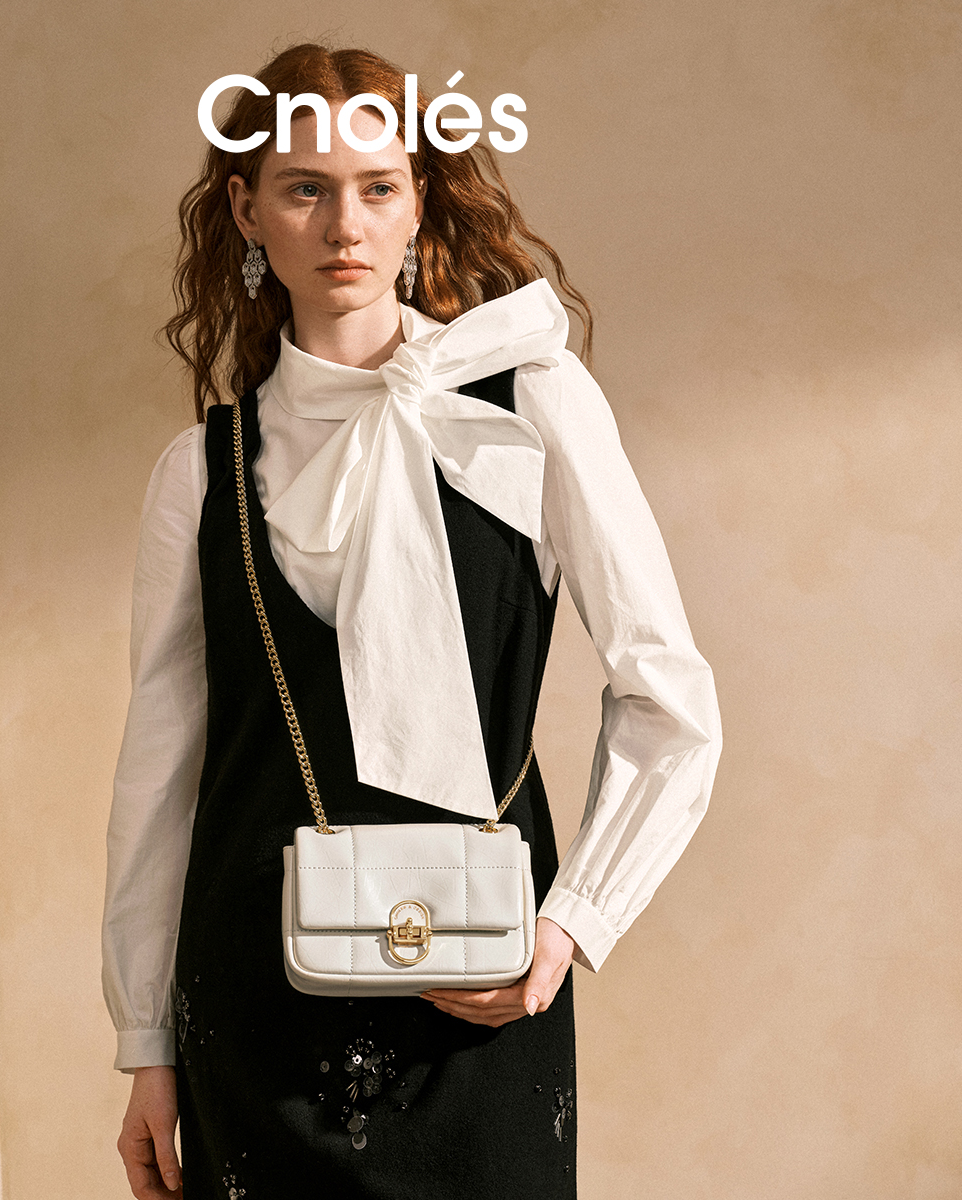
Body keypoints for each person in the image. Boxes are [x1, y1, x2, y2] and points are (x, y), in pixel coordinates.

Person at [102, 43, 721, 1200]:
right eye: (305, 188)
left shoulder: (532, 404)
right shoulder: (199, 471)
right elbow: (162, 776)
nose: (346, 225)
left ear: (419, 201)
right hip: (253, 1012)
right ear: (245, 209)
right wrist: (147, 1043)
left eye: (377, 187)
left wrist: (568, 927)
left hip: (482, 1003)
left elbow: (666, 695)